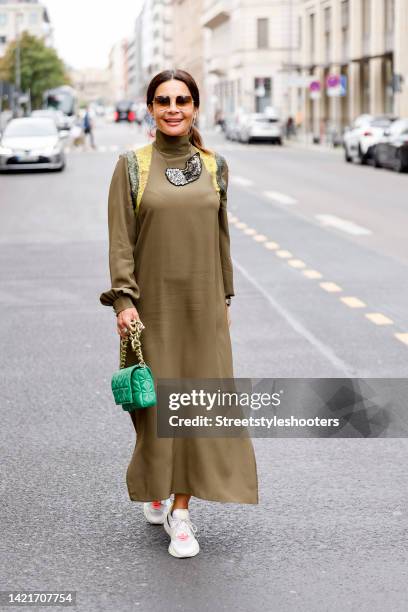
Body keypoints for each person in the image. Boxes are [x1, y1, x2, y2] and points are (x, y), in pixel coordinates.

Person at [99, 69, 259, 559]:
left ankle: (182, 511)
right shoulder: (132, 166)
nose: (174, 108)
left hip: (203, 305)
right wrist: (123, 302)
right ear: (150, 108)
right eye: (164, 100)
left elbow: (221, 238)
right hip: (150, 309)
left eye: (183, 100)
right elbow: (121, 240)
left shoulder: (215, 166)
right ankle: (156, 482)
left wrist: (225, 298)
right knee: (152, 408)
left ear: (195, 107)